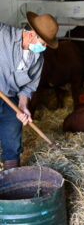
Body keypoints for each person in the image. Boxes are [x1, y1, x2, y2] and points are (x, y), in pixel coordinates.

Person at [0, 11, 58, 170]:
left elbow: (29, 86)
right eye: (44, 42)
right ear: (32, 34)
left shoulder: (37, 58)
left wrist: (23, 105)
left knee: (12, 140)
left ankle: (11, 177)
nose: (44, 47)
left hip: (10, 99)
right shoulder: (3, 34)